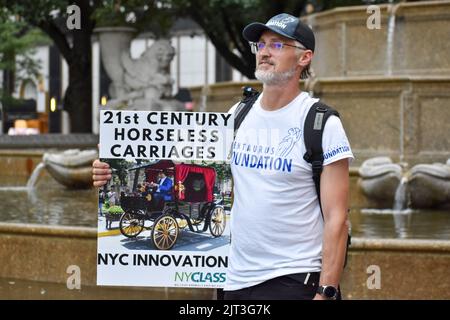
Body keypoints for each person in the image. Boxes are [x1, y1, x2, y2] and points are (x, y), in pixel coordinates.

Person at [92, 12, 353, 300]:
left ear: (304, 58)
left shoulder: (321, 123)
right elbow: (173, 156)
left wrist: (326, 291)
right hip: (234, 279)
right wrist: (108, 170)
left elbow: (337, 217)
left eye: (277, 45)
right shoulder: (237, 116)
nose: (264, 52)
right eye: (261, 45)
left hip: (292, 277)